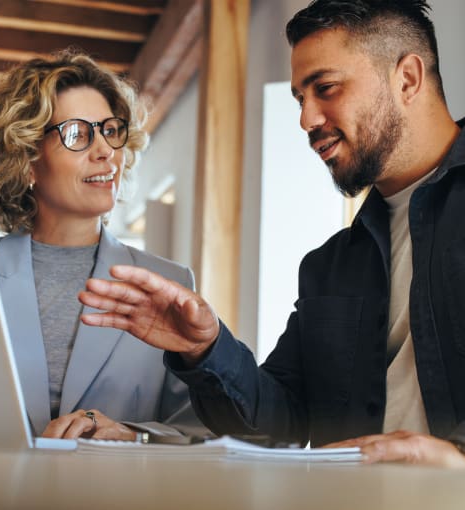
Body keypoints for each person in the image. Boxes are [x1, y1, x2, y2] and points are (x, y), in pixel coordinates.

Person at [78, 0, 465, 467]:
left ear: (407, 79)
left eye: (326, 88)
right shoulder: (330, 266)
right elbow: (276, 425)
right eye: (302, 99)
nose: (307, 120)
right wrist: (205, 348)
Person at [0, 49, 208, 441]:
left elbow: (201, 429)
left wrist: (133, 435)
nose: (105, 152)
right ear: (26, 159)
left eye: (110, 130)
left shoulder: (168, 281)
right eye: (78, 134)